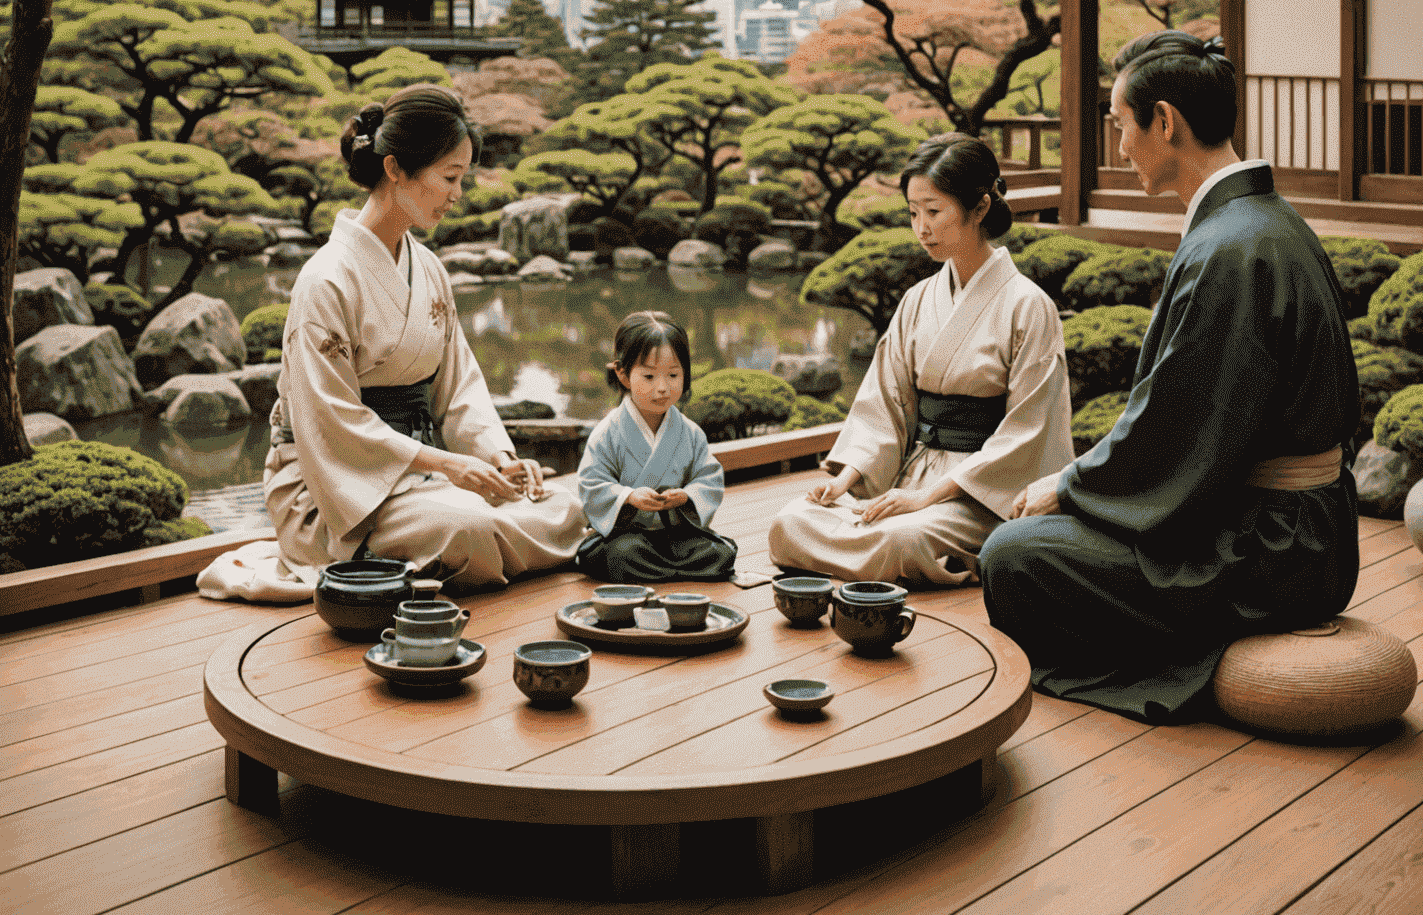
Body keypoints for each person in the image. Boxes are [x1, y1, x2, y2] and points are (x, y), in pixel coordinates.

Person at [980, 32, 1361, 722]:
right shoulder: (1267, 224)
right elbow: (1193, 424)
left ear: (1164, 121)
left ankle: (1187, 670)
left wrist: (1069, 485)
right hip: (1308, 529)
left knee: (1014, 556)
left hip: (1271, 553)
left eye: (1122, 126)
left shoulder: (1231, 249)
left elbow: (1179, 433)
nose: (1119, 147)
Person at [262, 85, 587, 588]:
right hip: (333, 492)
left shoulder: (429, 269)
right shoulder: (325, 280)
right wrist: (446, 464)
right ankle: (459, 537)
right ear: (395, 169)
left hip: (423, 475)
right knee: (468, 526)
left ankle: (469, 533)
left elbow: (458, 388)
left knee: (565, 505)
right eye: (449, 177)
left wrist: (497, 459)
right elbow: (329, 420)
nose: (458, 194)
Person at [768, 133, 1075, 586]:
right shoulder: (917, 299)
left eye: (934, 211)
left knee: (903, 539)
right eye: (913, 213)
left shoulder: (1029, 306)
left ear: (980, 208)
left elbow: (1029, 431)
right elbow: (884, 406)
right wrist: (846, 480)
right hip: (910, 474)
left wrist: (930, 496)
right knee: (789, 523)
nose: (921, 228)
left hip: (978, 492)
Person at [575, 311, 737, 583]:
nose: (663, 388)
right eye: (649, 377)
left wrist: (686, 497)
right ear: (623, 375)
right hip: (628, 536)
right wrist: (628, 497)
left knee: (720, 553)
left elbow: (709, 478)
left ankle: (663, 570)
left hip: (677, 535)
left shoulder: (689, 432)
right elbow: (592, 484)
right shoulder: (607, 433)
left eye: (673, 375)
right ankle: (672, 571)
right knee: (622, 554)